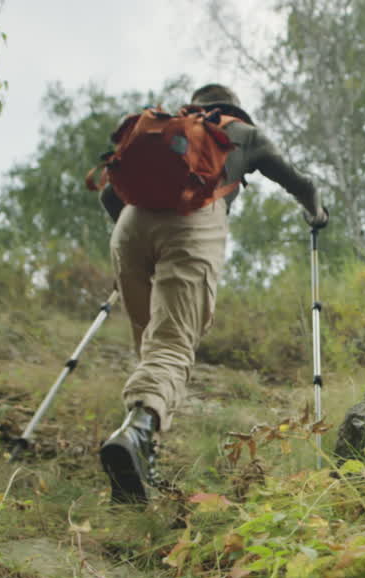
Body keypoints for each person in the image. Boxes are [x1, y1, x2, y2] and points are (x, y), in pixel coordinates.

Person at [97, 82, 328, 503]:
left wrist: (131, 243)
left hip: (129, 227)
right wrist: (316, 211)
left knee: (152, 345)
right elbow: (300, 183)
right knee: (171, 347)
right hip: (194, 219)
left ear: (196, 106)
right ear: (234, 107)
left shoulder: (172, 130)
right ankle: (134, 434)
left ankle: (140, 447)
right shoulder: (243, 133)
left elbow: (112, 193)